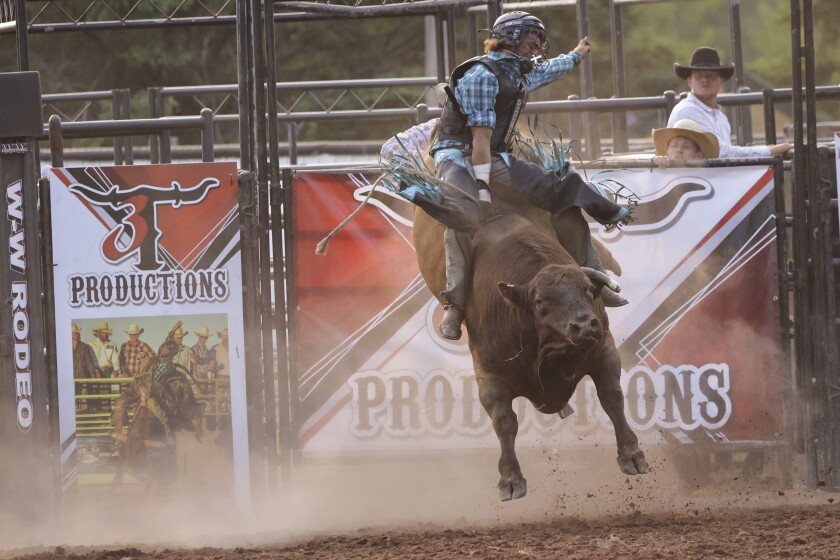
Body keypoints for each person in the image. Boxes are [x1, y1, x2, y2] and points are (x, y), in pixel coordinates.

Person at [406, 11, 631, 339]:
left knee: (561, 192)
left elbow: (548, 70)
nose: (537, 46)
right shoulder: (481, 76)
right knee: (463, 216)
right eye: (531, 40)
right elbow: (479, 139)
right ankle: (454, 304)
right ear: (511, 39)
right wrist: (482, 189)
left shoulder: (517, 71)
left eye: (539, 41)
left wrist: (575, 57)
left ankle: (595, 278)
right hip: (458, 153)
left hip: (492, 154)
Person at [668, 47, 792, 158]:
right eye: (698, 76)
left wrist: (767, 149)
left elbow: (724, 153)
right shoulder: (687, 110)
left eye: (710, 75)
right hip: (693, 181)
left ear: (721, 81)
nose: (704, 80)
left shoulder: (721, 118)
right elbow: (719, 152)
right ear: (689, 81)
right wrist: (769, 151)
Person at [651, 118, 720, 168]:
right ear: (667, 154)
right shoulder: (658, 173)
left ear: (698, 156)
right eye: (674, 146)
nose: (679, 150)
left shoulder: (708, 177)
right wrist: (655, 165)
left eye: (686, 146)